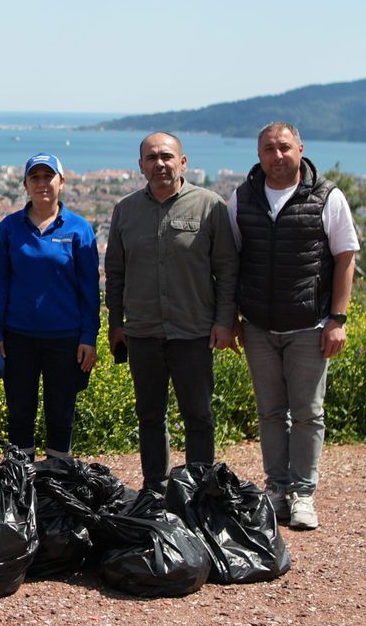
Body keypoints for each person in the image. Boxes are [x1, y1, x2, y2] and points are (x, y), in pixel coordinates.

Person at [229, 122, 359, 530]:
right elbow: (231, 259)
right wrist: (231, 317)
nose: (277, 155)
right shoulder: (242, 198)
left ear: (300, 149)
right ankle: (276, 489)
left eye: (284, 147)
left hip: (309, 325)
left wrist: (337, 319)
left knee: (307, 414)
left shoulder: (327, 196)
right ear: (259, 154)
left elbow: (345, 257)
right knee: (270, 413)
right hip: (257, 325)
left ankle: (303, 493)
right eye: (269, 148)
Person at [105, 131, 238, 494]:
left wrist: (224, 321)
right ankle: (155, 488)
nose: (160, 164)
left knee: (199, 416)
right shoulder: (126, 210)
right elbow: (115, 272)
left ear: (183, 162)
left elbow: (227, 269)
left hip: (193, 331)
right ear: (141, 165)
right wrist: (115, 323)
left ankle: (199, 490)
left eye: (166, 156)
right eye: (152, 158)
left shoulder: (210, 206)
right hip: (143, 332)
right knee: (149, 416)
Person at [0, 152, 99, 462]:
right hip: (18, 336)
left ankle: (57, 476)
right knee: (20, 413)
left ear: (62, 182)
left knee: (60, 413)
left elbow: (89, 289)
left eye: (48, 176)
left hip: (65, 338)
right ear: (25, 185)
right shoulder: (9, 228)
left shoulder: (78, 229)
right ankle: (21, 478)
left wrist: (89, 336)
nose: (41, 183)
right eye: (34, 177)